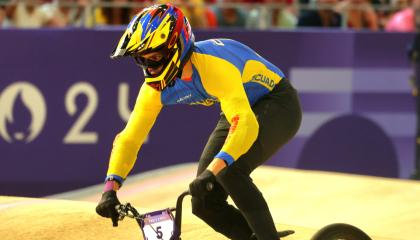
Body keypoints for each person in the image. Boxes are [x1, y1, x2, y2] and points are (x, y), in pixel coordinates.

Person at [95, 3, 302, 240]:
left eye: (154, 58)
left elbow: (245, 123)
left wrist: (213, 171)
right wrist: (110, 189)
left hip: (277, 102)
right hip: (236, 107)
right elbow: (130, 138)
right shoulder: (154, 88)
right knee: (202, 202)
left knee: (228, 171)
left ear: (177, 48)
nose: (149, 68)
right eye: (142, 60)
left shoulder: (213, 67)